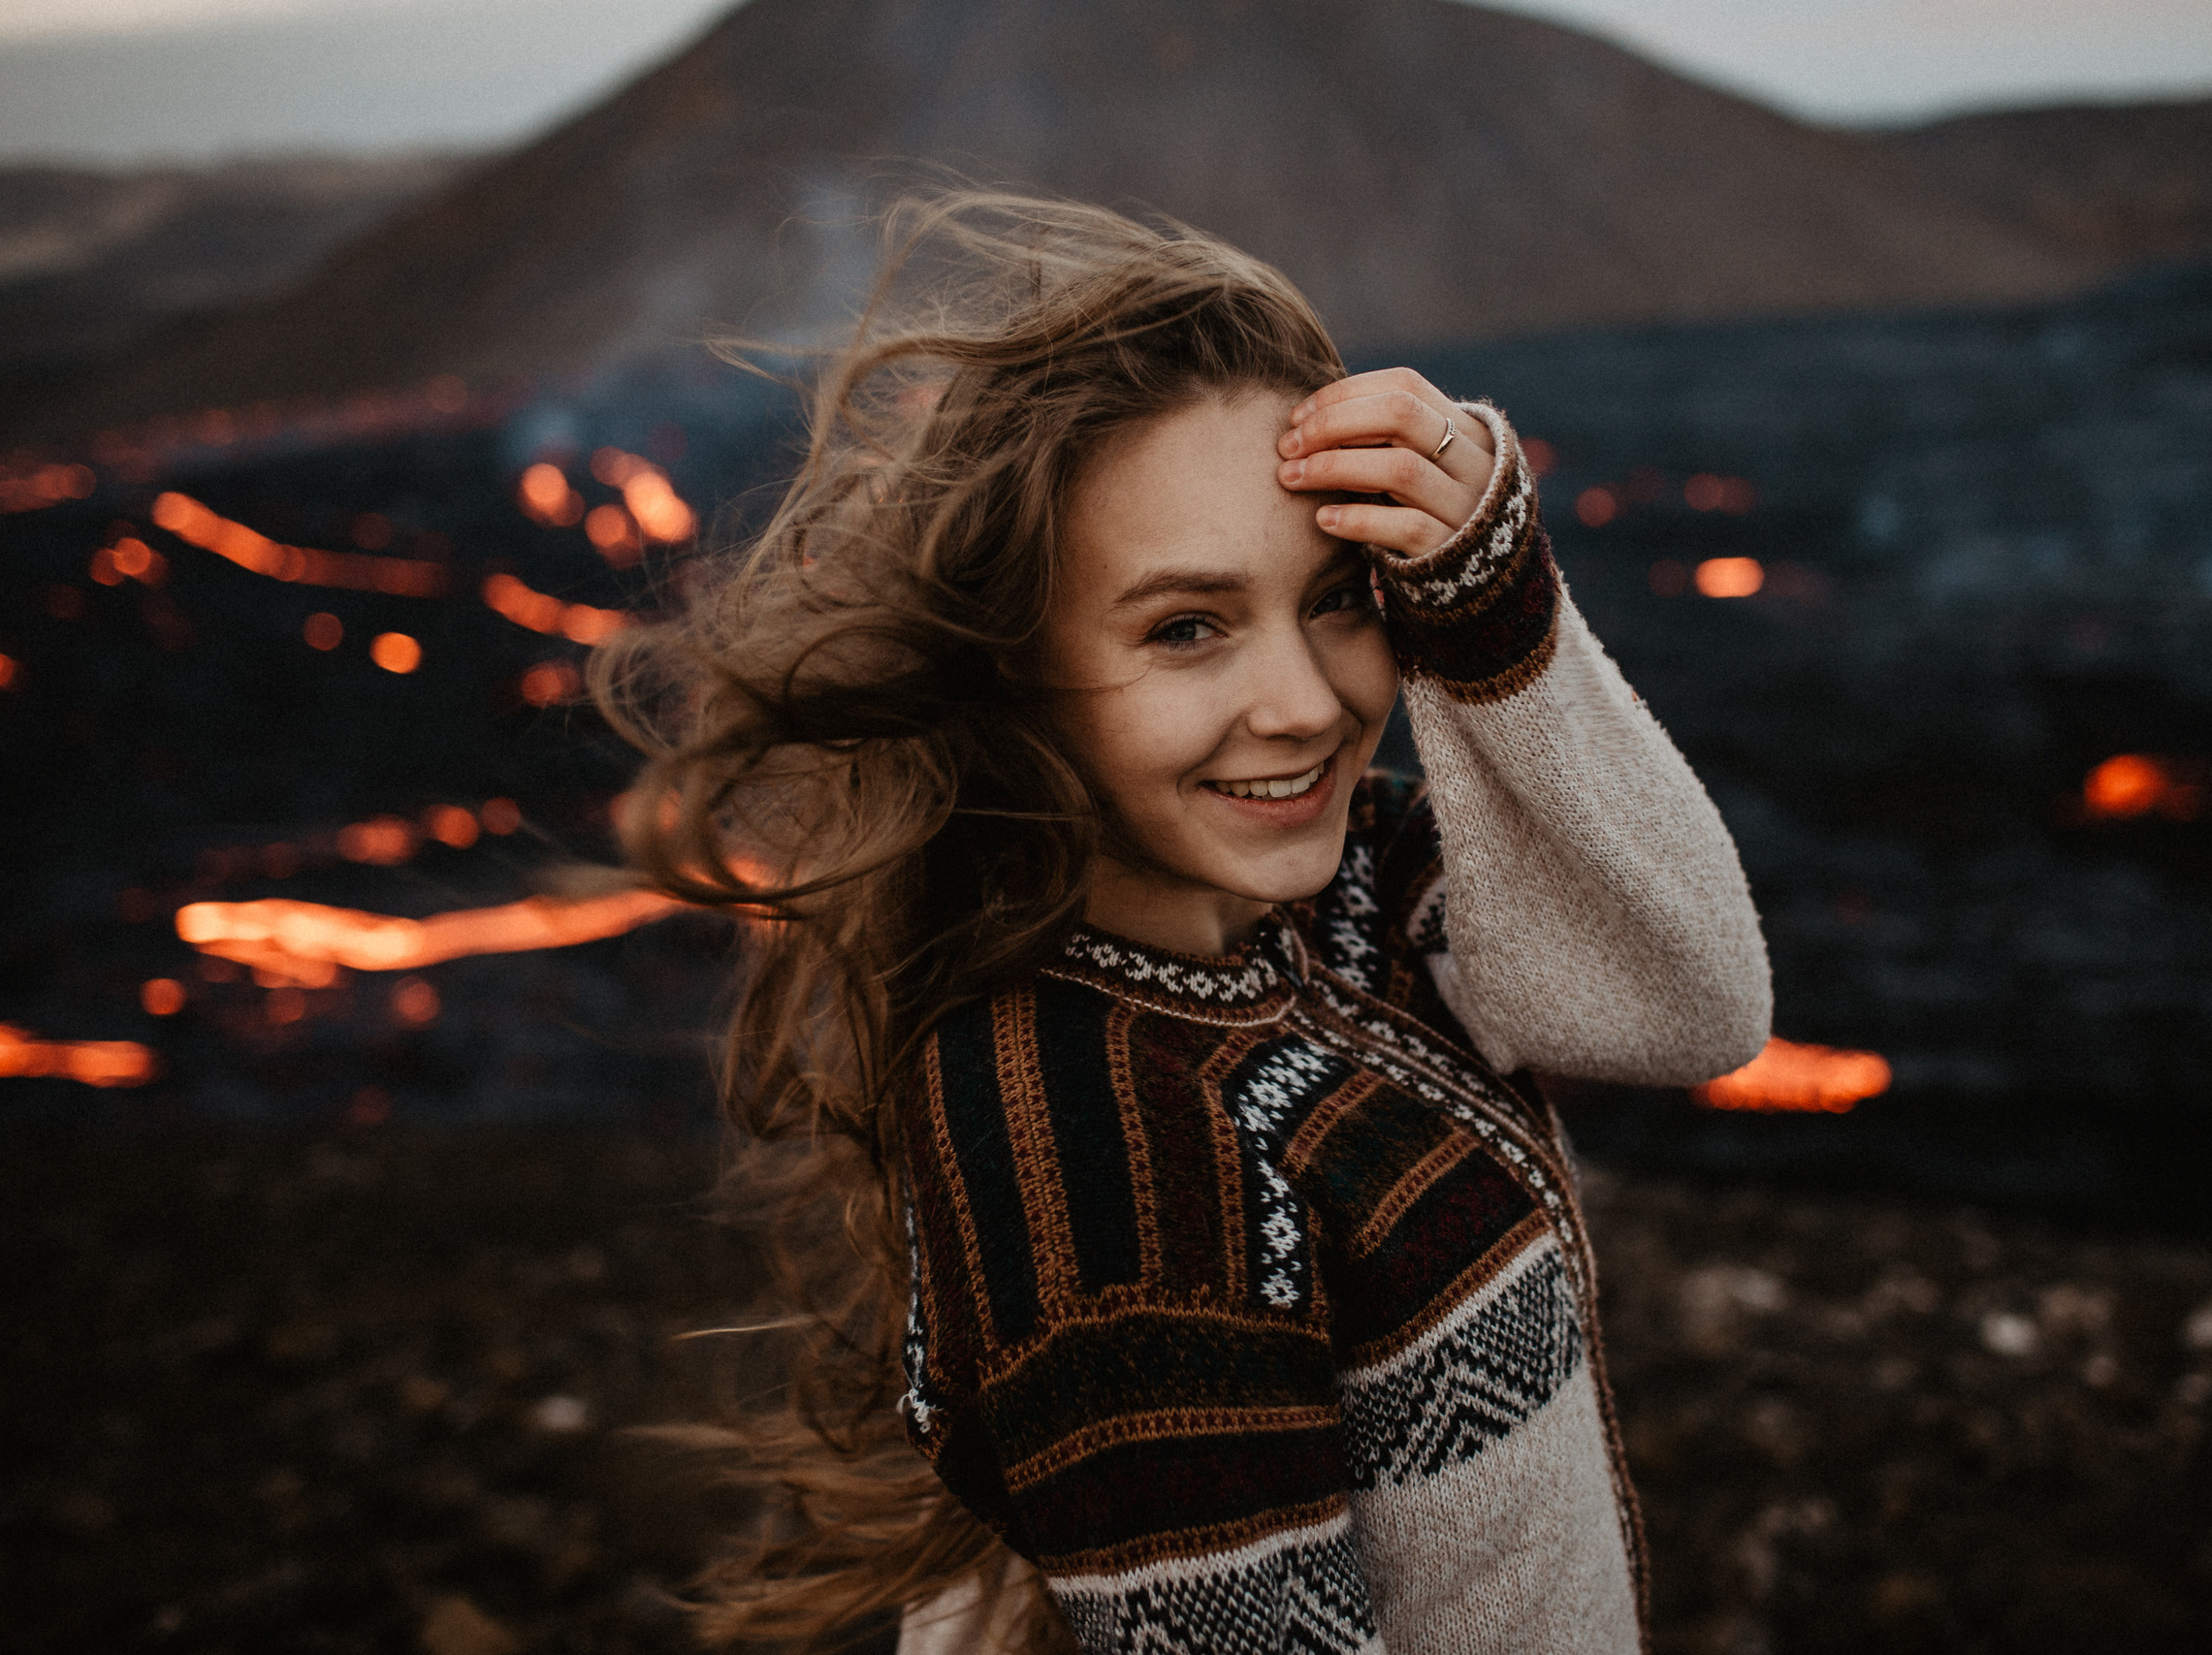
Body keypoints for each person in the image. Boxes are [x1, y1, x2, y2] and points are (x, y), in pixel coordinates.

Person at [600, 194, 1771, 1654]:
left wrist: (1496, 606)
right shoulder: (1091, 1140)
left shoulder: (1333, 897)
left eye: (1338, 600)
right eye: (1185, 628)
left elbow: (1690, 1005)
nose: (1306, 702)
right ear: (1015, 670)